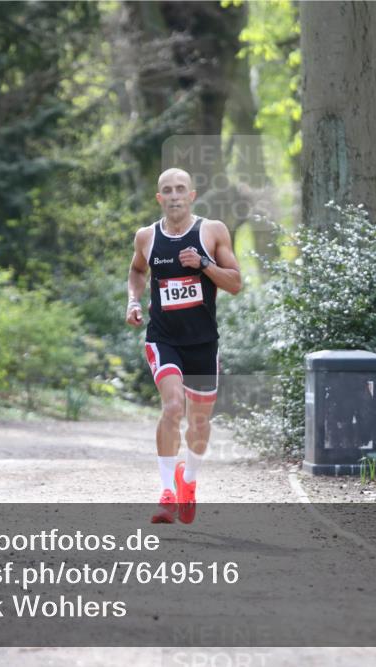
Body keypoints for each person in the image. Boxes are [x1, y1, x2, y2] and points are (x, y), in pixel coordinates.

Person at [126, 168, 242, 523]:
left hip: (203, 343)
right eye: (167, 190)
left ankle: (187, 481)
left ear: (192, 195)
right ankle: (165, 493)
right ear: (159, 198)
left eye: (180, 189)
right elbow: (137, 271)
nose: (174, 195)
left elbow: (235, 283)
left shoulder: (212, 231)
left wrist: (204, 264)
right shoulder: (146, 237)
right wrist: (133, 300)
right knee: (173, 405)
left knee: (200, 423)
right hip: (163, 339)